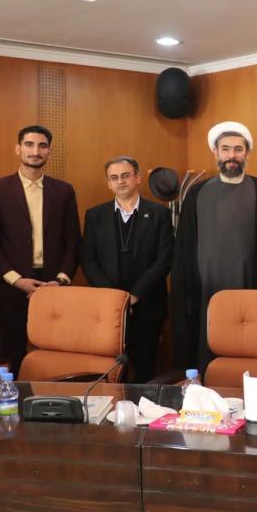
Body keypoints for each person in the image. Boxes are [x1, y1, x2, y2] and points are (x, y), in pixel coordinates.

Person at [171, 121, 257, 373]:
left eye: (238, 149)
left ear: (247, 153)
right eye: (225, 149)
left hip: (252, 289)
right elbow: (184, 248)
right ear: (215, 152)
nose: (231, 155)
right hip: (205, 292)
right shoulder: (196, 192)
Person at [0, 125, 81, 374]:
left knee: (55, 356)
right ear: (18, 149)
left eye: (42, 146)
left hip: (53, 286)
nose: (35, 151)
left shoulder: (64, 191)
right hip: (11, 286)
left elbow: (73, 242)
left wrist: (60, 280)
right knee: (11, 354)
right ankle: (10, 398)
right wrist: (16, 280)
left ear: (49, 151)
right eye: (29, 144)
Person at [81, 156, 173, 382]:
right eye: (114, 178)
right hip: (108, 307)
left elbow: (165, 258)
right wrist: (115, 299)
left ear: (137, 178)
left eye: (125, 176)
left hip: (147, 303)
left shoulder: (159, 214)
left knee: (145, 367)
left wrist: (136, 295)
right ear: (108, 183)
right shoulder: (95, 215)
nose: (120, 181)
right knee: (111, 368)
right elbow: (88, 260)